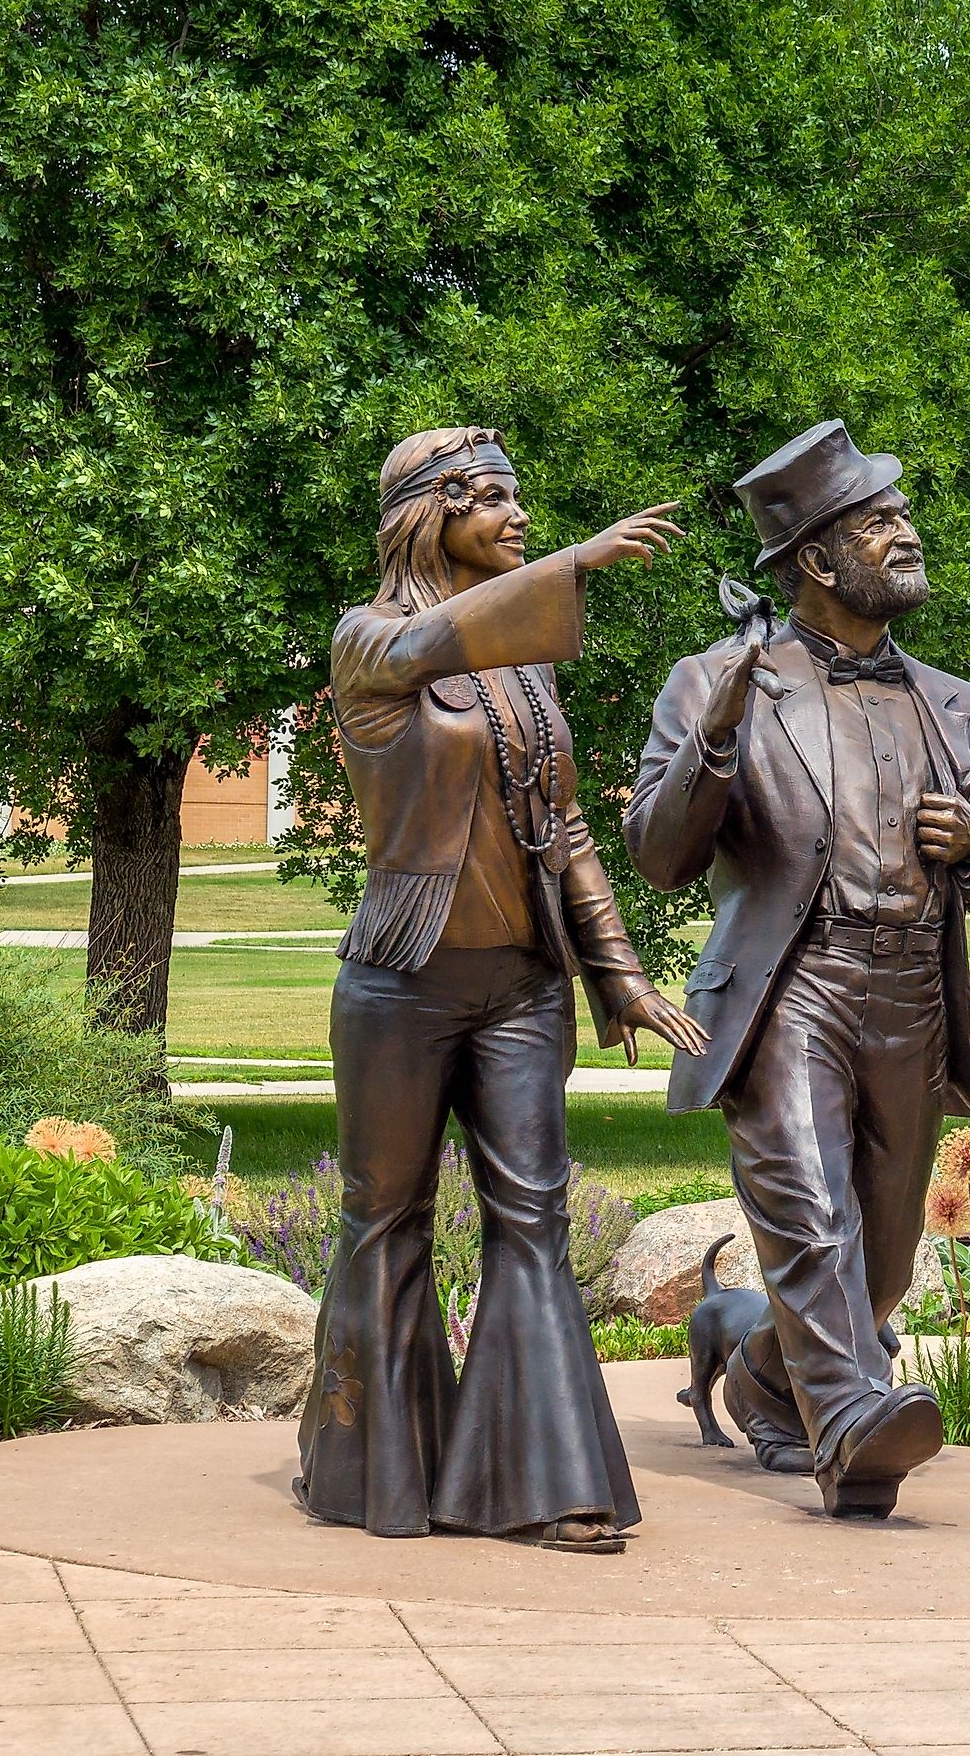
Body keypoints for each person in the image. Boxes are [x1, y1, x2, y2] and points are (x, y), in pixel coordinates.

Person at [297, 425, 706, 1553]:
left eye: (519, 498)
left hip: (523, 983)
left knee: (533, 1217)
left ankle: (547, 1479)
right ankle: (367, 1466)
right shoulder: (366, 640)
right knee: (388, 1220)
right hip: (403, 981)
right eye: (488, 498)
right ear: (428, 514)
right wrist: (568, 561)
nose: (515, 514)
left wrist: (616, 973)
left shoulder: (523, 668)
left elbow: (564, 824)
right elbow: (430, 638)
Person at [628, 420, 970, 1518]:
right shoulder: (720, 681)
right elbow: (659, 856)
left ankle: (770, 1382)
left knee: (883, 1270)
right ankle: (855, 1427)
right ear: (817, 558)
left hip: (912, 991)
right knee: (813, 1224)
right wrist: (715, 736)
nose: (907, 533)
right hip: (790, 990)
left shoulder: (959, 705)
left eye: (901, 514)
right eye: (880, 521)